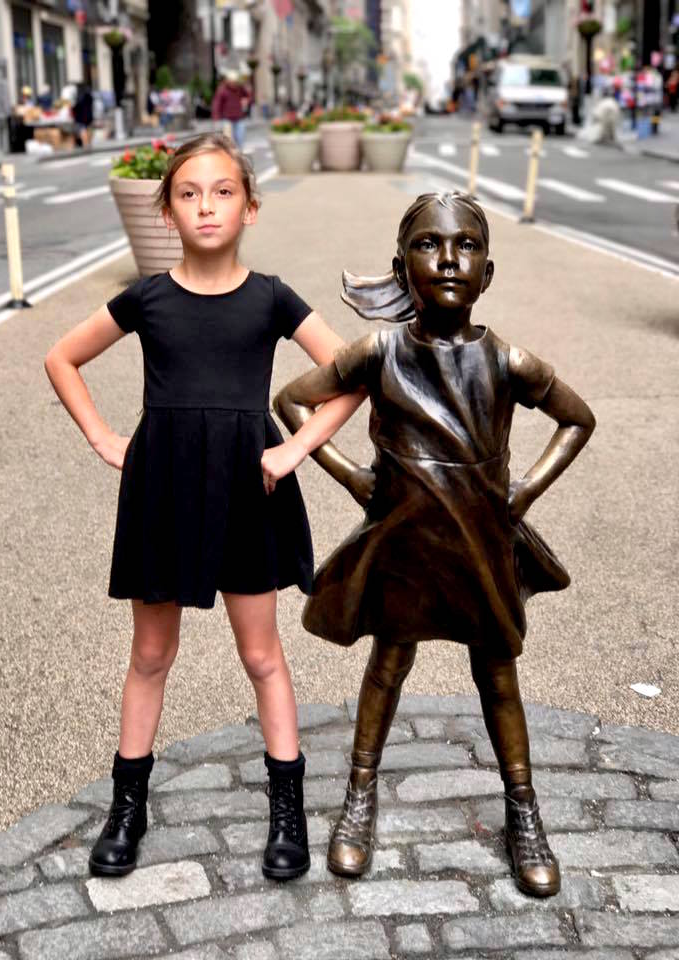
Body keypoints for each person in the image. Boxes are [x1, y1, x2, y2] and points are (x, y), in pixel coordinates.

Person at [44, 133, 361, 882]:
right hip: (164, 490)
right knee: (151, 654)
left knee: (261, 654)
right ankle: (129, 806)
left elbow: (353, 372)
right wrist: (104, 438)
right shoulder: (147, 299)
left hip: (249, 493)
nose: (206, 205)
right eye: (188, 193)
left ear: (250, 207)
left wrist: (294, 449)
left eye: (222, 191)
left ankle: (287, 810)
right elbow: (62, 357)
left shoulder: (272, 297)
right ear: (167, 210)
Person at [262, 191, 596, 899]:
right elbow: (291, 401)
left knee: (498, 676)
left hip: (479, 539)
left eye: (466, 246)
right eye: (428, 245)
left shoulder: (507, 359)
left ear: (489, 271)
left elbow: (577, 419)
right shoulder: (379, 349)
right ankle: (359, 796)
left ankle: (523, 810)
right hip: (405, 539)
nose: (448, 259)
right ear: (401, 263)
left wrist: (524, 492)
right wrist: (354, 478)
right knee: (388, 663)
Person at [211, 69, 252, 149]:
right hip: (227, 118)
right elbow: (217, 104)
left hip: (239, 117)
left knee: (240, 138)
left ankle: (239, 155)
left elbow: (249, 96)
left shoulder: (240, 88)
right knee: (228, 140)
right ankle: (231, 155)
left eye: (235, 82)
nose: (234, 84)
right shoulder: (222, 90)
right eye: (232, 82)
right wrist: (216, 117)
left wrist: (247, 100)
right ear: (228, 81)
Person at [73, 84, 94, 149]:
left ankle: (85, 144)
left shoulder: (79, 97)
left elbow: (76, 107)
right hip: (89, 115)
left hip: (81, 117)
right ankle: (89, 143)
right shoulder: (90, 96)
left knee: (82, 129)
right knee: (88, 129)